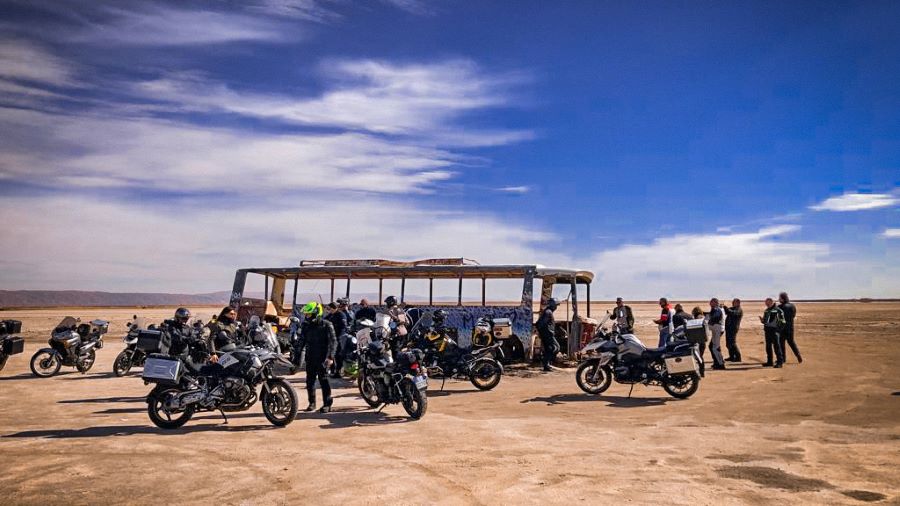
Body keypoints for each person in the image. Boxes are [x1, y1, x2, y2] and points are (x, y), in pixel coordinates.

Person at [296, 301, 337, 413]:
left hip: (323, 358)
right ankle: (312, 403)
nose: (306, 316)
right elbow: (301, 341)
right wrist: (297, 356)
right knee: (310, 381)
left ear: (315, 313)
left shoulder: (327, 325)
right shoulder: (306, 325)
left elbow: (333, 342)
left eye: (309, 314)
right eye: (306, 314)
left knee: (324, 381)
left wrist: (330, 357)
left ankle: (327, 404)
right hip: (310, 357)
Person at [760, 297, 785, 368]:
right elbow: (765, 321)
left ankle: (780, 362)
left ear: (771, 302)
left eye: (767, 303)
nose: (766, 304)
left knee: (776, 347)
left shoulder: (778, 310)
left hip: (774, 331)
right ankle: (769, 362)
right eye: (765, 303)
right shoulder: (766, 310)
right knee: (768, 347)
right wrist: (762, 321)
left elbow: (783, 322)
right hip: (767, 331)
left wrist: (778, 330)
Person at [325, 303, 348, 378]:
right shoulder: (331, 315)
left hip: (339, 338)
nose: (329, 310)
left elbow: (343, 327)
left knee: (338, 355)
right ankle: (333, 370)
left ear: (333, 308)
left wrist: (338, 337)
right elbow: (324, 320)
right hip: (332, 338)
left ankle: (338, 372)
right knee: (332, 354)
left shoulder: (341, 315)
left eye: (330, 308)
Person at [778, 292, 801, 364]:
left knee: (781, 343)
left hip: (782, 328)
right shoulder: (792, 306)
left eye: (780, 298)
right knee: (791, 342)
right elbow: (793, 315)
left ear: (782, 298)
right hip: (790, 327)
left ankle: (783, 359)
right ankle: (798, 355)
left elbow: (778, 317)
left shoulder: (780, 307)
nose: (779, 299)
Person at [707, 298, 726, 370]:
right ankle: (717, 363)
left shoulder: (717, 310)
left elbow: (715, 318)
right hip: (717, 329)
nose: (710, 303)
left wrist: (709, 320)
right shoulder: (716, 309)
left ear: (715, 302)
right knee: (713, 346)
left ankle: (720, 364)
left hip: (718, 329)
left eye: (711, 302)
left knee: (715, 347)